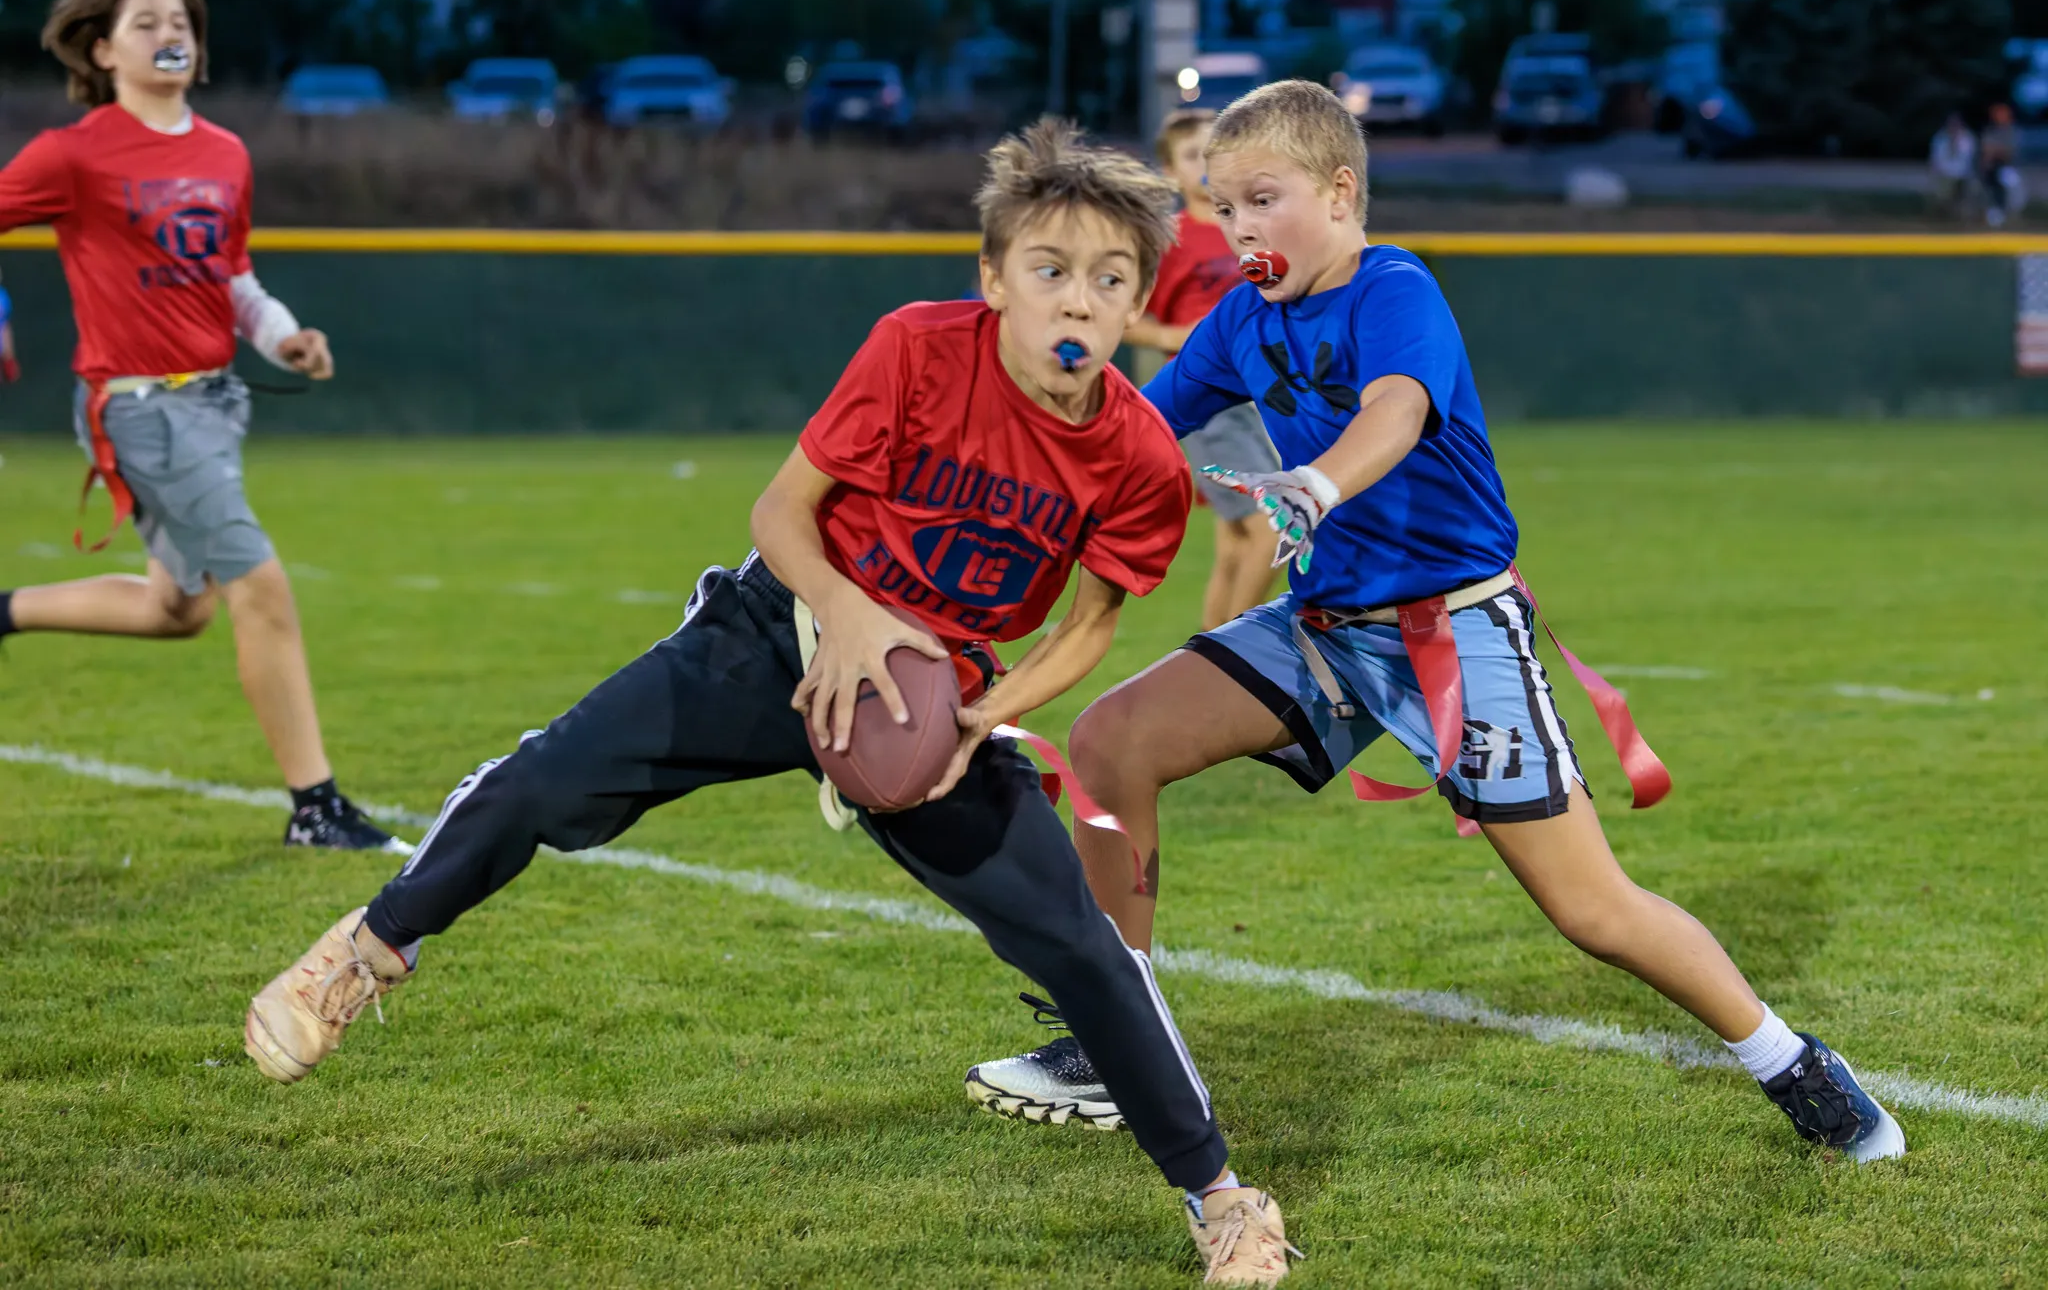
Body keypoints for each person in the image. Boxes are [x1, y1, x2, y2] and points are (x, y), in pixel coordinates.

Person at [242, 119, 1301, 1286]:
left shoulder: (1140, 455)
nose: (1077, 303)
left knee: (1078, 946)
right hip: (781, 631)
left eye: (1108, 282)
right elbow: (779, 515)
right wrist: (846, 617)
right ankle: (366, 951)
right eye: (1048, 271)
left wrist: (979, 717)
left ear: (1136, 301)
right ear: (992, 278)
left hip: (926, 695)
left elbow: (1088, 624)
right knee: (548, 780)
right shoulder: (915, 347)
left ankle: (1219, 1198)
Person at [967, 80, 1907, 1167]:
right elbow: (1130, 431)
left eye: (1259, 200)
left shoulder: (1392, 287)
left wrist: (1314, 486)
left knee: (1588, 908)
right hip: (1326, 625)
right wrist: (1017, 421)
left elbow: (1396, 411)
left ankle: (1792, 1065)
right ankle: (1113, 1045)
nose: (1238, 230)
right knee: (1110, 741)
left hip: (1453, 631)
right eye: (1223, 210)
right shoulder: (1239, 318)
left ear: (1338, 190)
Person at [0, 0, 391, 850]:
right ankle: (317, 805)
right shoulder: (72, 152)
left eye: (180, 22)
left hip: (217, 405)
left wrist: (283, 334)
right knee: (262, 587)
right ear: (102, 49)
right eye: (145, 22)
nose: (169, 33)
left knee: (180, 609)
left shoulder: (225, 153)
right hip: (142, 411)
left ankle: (2, 610)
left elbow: (234, 274)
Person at [1126, 108, 1283, 630]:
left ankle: (1209, 652)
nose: (1207, 165)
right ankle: (1241, 653)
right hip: (1210, 403)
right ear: (1169, 171)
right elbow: (1124, 315)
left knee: (1235, 541)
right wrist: (1176, 337)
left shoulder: (1252, 227)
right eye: (1193, 156)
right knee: (1278, 529)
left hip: (1263, 396)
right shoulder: (1165, 238)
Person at [1980, 104, 2024, 228]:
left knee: (2011, 183)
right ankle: (1996, 214)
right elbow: (1986, 152)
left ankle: (2010, 215)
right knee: (1992, 183)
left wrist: (1995, 151)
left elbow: (2009, 153)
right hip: (1992, 169)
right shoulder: (1990, 131)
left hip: (2009, 168)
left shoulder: (2013, 131)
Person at [1927, 112, 1976, 216]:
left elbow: (1968, 160)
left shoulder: (1968, 139)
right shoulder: (1940, 138)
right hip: (1945, 175)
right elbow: (1936, 160)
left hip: (1963, 175)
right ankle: (1943, 214)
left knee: (1970, 189)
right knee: (1942, 191)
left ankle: (1962, 214)